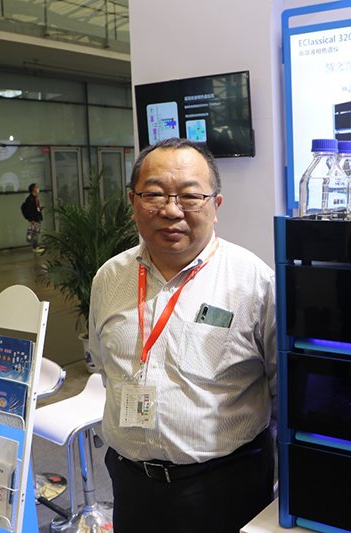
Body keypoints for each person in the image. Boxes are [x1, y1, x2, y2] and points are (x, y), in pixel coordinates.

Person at [89, 138, 277, 533]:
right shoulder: (109, 278)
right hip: (131, 484)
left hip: (224, 486)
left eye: (190, 196)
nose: (171, 210)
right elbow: (107, 368)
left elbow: (282, 389)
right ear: (133, 201)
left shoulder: (254, 282)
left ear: (216, 205)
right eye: (154, 194)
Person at [22, 183, 44, 253]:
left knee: (36, 232)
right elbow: (29, 210)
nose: (38, 189)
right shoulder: (30, 199)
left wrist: (40, 209)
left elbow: (35, 208)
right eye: (36, 187)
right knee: (34, 233)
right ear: (33, 189)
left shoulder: (35, 198)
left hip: (37, 217)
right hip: (34, 219)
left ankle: (36, 246)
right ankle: (35, 247)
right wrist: (31, 219)